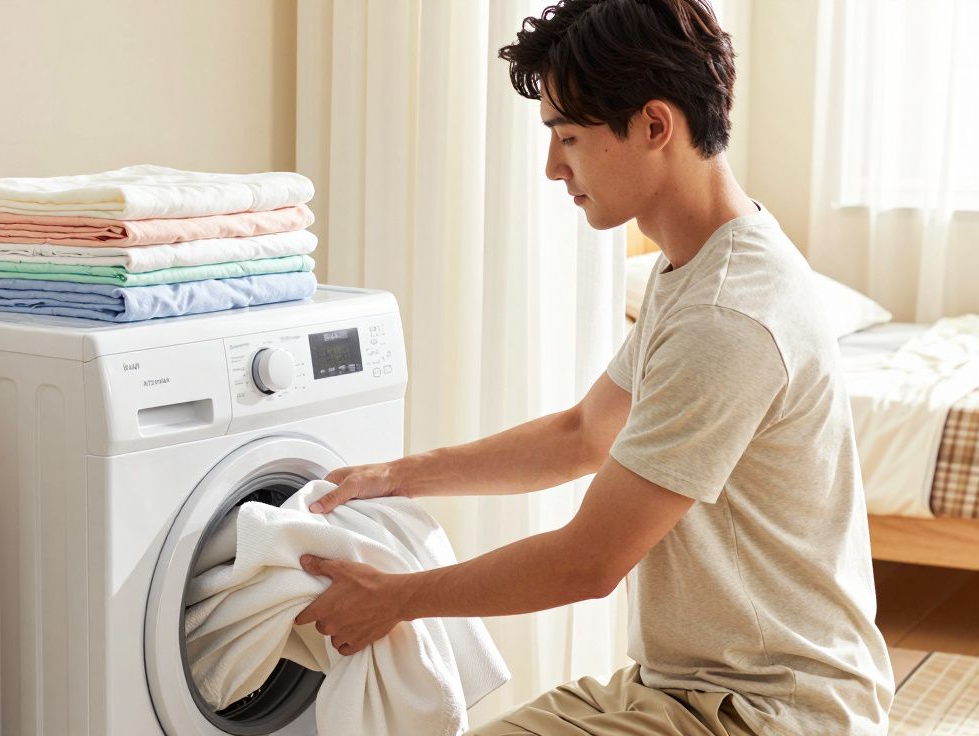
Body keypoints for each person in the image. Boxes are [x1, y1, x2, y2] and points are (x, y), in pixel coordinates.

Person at [291, 0, 894, 733]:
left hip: (769, 712)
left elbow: (589, 562)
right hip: (692, 687)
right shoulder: (701, 268)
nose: (553, 168)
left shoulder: (728, 314)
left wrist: (395, 596)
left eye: (567, 137)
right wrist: (396, 474)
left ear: (653, 126)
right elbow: (582, 434)